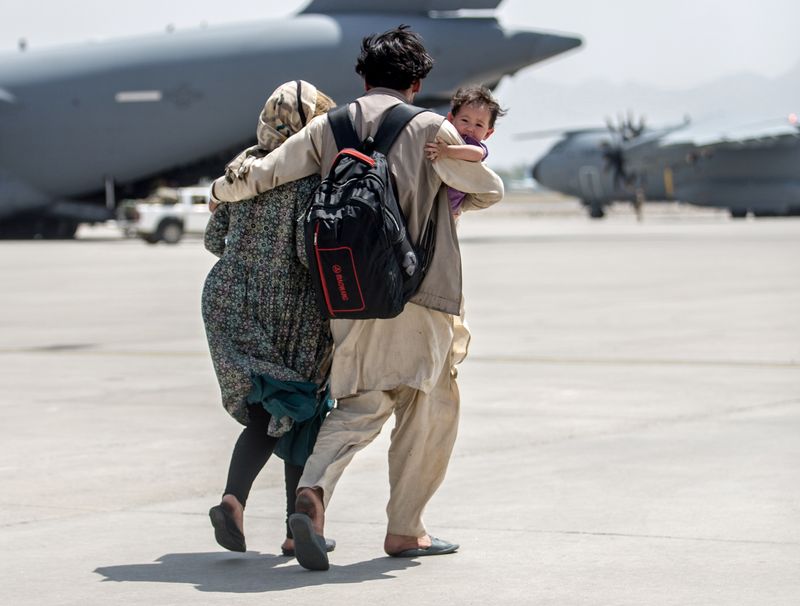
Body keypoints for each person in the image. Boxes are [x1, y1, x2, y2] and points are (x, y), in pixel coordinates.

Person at [210, 25, 504, 570]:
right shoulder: (431, 128)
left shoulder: (331, 124)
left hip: (347, 295)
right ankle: (405, 530)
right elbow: (490, 187)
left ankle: (314, 492)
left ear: (363, 77)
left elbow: (266, 173)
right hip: (420, 294)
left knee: (359, 404)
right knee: (430, 403)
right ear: (416, 83)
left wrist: (220, 192)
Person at [203, 80, 337, 557]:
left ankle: (233, 501)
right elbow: (307, 252)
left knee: (267, 409)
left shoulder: (243, 165)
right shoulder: (307, 174)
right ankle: (295, 525)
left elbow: (215, 240)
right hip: (289, 307)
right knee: (300, 410)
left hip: (228, 298)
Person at [424, 86, 506, 216]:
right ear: (451, 119)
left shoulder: (473, 145)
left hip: (452, 206)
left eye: (479, 125)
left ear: (488, 133)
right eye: (465, 120)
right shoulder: (448, 136)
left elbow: (476, 154)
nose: (470, 128)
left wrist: (446, 151)